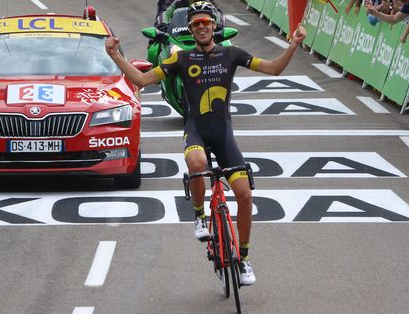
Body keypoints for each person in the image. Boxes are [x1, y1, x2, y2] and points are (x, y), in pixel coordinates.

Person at [106, 0, 307, 286]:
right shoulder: (181, 59)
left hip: (223, 135)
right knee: (197, 163)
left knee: (245, 195)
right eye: (196, 24)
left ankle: (245, 259)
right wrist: (115, 55)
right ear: (190, 29)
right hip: (196, 130)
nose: (201, 27)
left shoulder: (232, 54)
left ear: (214, 26)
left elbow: (274, 69)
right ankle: (200, 217)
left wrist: (293, 45)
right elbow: (140, 78)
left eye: (206, 23)